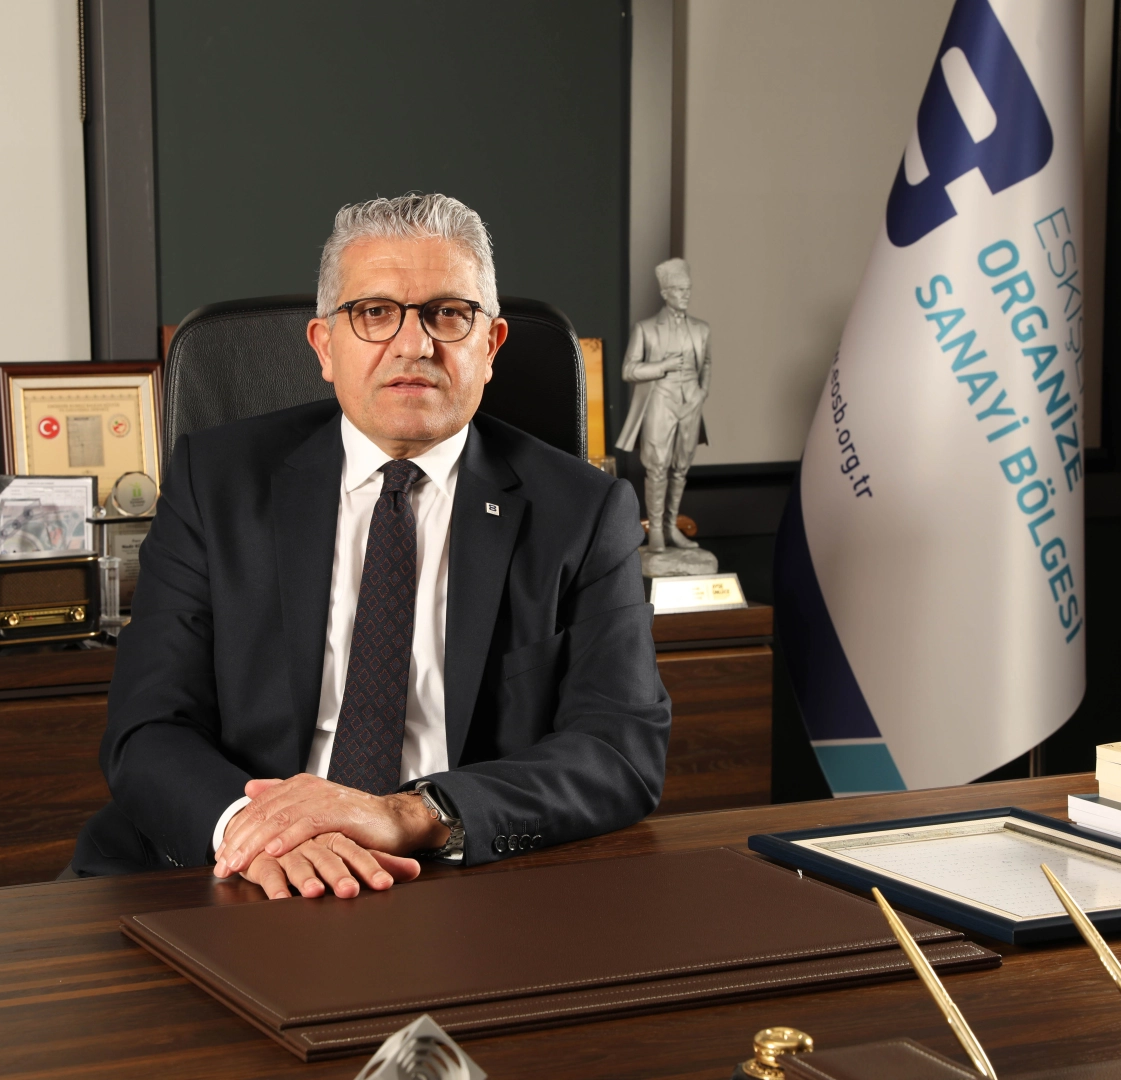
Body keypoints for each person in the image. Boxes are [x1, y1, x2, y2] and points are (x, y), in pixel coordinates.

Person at [69, 193, 671, 899]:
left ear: (490, 346)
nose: (413, 345)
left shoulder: (582, 511)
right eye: (376, 313)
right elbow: (146, 727)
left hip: (448, 879)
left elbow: (619, 750)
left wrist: (412, 815)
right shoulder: (216, 480)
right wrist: (254, 833)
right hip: (230, 870)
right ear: (325, 346)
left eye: (448, 313)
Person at [615, 258, 711, 553]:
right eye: (680, 290)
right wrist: (662, 366)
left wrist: (702, 392)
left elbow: (706, 363)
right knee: (657, 467)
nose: (686, 295)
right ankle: (655, 529)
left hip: (690, 404)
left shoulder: (701, 329)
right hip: (660, 401)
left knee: (681, 468)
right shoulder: (646, 329)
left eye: (688, 289)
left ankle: (671, 527)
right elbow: (629, 370)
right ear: (666, 292)